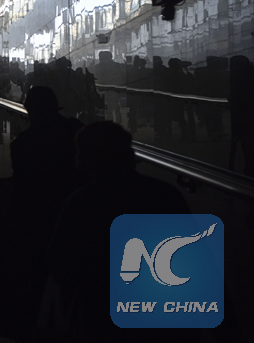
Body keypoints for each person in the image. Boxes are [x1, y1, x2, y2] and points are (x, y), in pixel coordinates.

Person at [43, 121, 199, 343]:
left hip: (104, 316)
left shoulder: (83, 201)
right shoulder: (165, 194)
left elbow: (59, 263)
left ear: (86, 158)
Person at [0, 86, 82, 341]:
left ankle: (26, 324)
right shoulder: (75, 132)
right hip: (74, 218)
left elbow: (23, 184)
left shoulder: (25, 143)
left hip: (37, 221)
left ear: (29, 109)